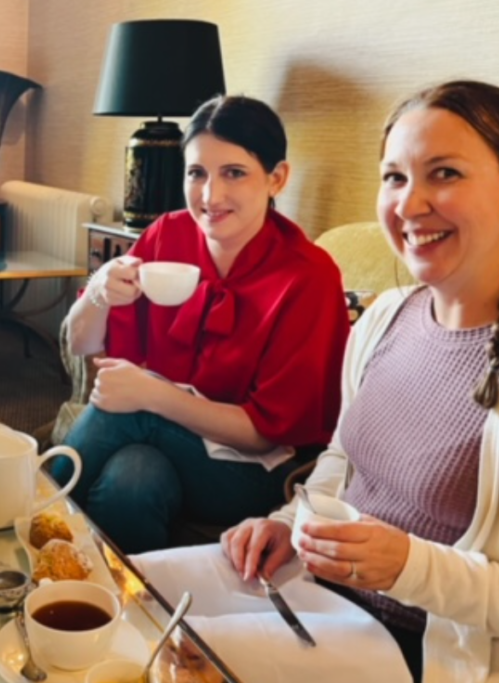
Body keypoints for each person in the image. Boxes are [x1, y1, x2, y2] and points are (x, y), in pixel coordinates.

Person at [136, 80, 499, 683]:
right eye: (394, 177)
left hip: (433, 651)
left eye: (444, 174)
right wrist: (286, 524)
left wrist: (412, 567)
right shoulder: (385, 318)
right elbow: (341, 459)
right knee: (128, 594)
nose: (410, 206)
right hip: (320, 592)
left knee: (169, 659)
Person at [53, 95, 351, 554]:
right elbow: (78, 342)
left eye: (234, 173)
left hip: (254, 471)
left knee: (136, 413)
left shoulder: (308, 275)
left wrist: (153, 395)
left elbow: (265, 434)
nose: (210, 196)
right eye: (197, 173)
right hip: (167, 450)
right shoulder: (165, 235)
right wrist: (98, 292)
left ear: (276, 179)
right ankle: (124, 608)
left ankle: (27, 514)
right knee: (132, 478)